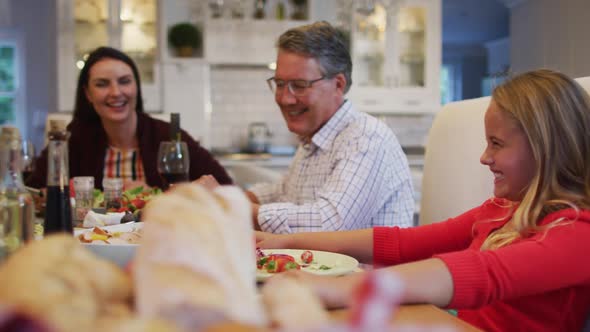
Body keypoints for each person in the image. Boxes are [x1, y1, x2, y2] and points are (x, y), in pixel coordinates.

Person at [256, 69, 590, 331]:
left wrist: (337, 289)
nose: (484, 157)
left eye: (497, 144)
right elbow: (403, 242)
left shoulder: (578, 234)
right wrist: (284, 240)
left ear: (544, 149)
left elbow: (481, 274)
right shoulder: (501, 210)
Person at [201, 21, 415, 233]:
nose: (285, 99)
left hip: (368, 268)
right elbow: (282, 192)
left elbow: (328, 224)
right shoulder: (312, 139)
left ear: (338, 85)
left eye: (299, 86)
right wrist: (219, 197)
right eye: (280, 84)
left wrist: (230, 206)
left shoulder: (365, 137)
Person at [26, 46, 232, 190]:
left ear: (136, 88)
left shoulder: (168, 136)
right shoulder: (76, 136)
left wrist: (158, 194)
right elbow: (35, 189)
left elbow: (225, 188)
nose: (116, 92)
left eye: (124, 81)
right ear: (88, 94)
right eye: (102, 84)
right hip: (94, 241)